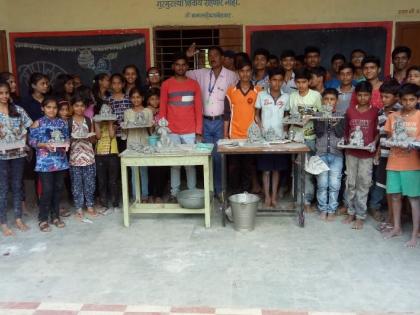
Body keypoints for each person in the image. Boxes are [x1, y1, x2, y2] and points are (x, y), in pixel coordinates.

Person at [186, 45, 238, 198]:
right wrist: (188, 56)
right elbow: (183, 72)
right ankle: (209, 189)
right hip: (205, 121)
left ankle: (220, 190)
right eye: (210, 55)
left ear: (222, 58)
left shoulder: (231, 75)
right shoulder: (201, 73)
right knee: (206, 155)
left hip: (222, 121)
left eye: (216, 55)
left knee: (220, 156)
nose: (212, 58)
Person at [159, 52, 203, 202]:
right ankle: (174, 193)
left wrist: (198, 131)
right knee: (175, 163)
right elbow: (162, 109)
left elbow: (198, 109)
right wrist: (163, 131)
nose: (180, 67)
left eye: (183, 64)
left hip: (190, 131)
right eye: (177, 64)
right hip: (172, 131)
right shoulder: (166, 85)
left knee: (190, 164)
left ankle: (192, 192)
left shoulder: (194, 84)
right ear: (173, 66)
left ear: (187, 67)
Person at [383, 83, 420, 247]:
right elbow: (391, 138)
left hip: (413, 164)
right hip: (394, 162)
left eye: (412, 99)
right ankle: (397, 227)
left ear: (417, 100)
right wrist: (395, 142)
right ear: (400, 99)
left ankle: (414, 233)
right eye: (404, 99)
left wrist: (413, 142)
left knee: (413, 198)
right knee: (396, 196)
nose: (408, 103)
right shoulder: (393, 116)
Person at [29, 97, 69, 232]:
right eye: (49, 107)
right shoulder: (37, 123)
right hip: (44, 163)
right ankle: (43, 218)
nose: (52, 110)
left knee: (58, 189)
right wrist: (44, 144)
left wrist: (67, 144)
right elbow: (31, 141)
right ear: (43, 108)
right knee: (47, 190)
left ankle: (55, 216)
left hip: (60, 161)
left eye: (54, 107)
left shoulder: (62, 123)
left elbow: (66, 138)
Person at [342, 81, 378, 230]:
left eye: (366, 95)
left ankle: (360, 215)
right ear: (356, 95)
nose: (363, 98)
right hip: (351, 153)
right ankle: (350, 211)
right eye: (360, 95)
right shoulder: (350, 111)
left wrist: (374, 144)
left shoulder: (375, 112)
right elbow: (345, 132)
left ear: (371, 96)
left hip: (367, 155)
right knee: (351, 183)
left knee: (364, 183)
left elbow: (378, 132)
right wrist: (344, 142)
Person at [0, 82, 32, 236]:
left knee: (17, 185)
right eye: (1, 93)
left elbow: (28, 126)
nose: (4, 96)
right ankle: (4, 222)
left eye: (6, 93)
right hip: (1, 156)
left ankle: (18, 218)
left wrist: (23, 139)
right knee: (3, 188)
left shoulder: (18, 110)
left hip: (18, 154)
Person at [224, 59, 261, 193]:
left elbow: (259, 114)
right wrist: (225, 135)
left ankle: (245, 193)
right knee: (233, 166)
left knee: (249, 166)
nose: (245, 74)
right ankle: (234, 193)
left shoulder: (258, 91)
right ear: (238, 73)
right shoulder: (230, 91)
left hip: (251, 137)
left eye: (248, 71)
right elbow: (227, 115)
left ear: (251, 72)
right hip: (234, 136)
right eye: (242, 71)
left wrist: (260, 132)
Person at [287, 68, 322, 211]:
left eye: (304, 82)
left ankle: (307, 201)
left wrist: (311, 115)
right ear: (295, 83)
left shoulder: (316, 95)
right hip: (295, 137)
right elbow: (290, 114)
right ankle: (297, 199)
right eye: (298, 82)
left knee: (308, 170)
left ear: (309, 82)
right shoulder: (293, 96)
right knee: (296, 170)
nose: (301, 85)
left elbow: (321, 113)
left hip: (310, 137)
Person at [254, 67, 289, 207]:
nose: (277, 83)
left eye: (280, 80)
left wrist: (285, 132)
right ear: (269, 81)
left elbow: (287, 116)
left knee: (276, 169)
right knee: (266, 169)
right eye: (274, 80)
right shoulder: (262, 95)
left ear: (283, 82)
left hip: (280, 139)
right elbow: (256, 114)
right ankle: (267, 196)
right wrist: (260, 127)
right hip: (265, 139)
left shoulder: (286, 97)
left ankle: (274, 196)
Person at [369, 80, 400, 228]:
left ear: (396, 97)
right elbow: (380, 134)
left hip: (397, 156)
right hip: (383, 155)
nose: (383, 100)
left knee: (395, 188)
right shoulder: (381, 112)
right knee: (383, 184)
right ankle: (383, 213)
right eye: (382, 96)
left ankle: (395, 218)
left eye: (387, 96)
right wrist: (376, 150)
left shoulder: (400, 113)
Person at [315, 88, 345, 221]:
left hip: (336, 154)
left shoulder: (341, 115)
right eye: (326, 99)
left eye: (332, 99)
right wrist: (323, 117)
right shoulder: (318, 115)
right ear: (322, 101)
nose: (329, 102)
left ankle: (332, 209)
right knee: (322, 184)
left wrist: (334, 123)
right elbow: (319, 133)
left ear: (336, 101)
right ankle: (323, 208)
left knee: (334, 184)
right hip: (321, 154)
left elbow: (339, 133)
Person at [68, 94, 97, 219]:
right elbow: (65, 141)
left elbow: (94, 140)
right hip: (75, 158)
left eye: (82, 106)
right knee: (76, 184)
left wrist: (91, 136)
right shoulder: (68, 121)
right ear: (72, 106)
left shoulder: (89, 120)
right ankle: (79, 207)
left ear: (85, 107)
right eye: (76, 106)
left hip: (89, 157)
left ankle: (90, 205)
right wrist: (71, 138)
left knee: (90, 183)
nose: (79, 108)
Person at [122, 88, 153, 203]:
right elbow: (125, 133)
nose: (136, 99)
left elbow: (151, 130)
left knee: (144, 170)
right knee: (134, 170)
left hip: (145, 142)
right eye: (133, 97)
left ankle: (144, 195)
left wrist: (153, 126)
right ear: (130, 99)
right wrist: (123, 128)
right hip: (131, 143)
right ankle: (136, 196)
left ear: (143, 98)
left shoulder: (148, 111)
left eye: (138, 97)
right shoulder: (127, 113)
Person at [94, 101, 119, 214]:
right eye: (103, 111)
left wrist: (110, 122)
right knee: (102, 180)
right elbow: (98, 137)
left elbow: (112, 135)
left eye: (108, 111)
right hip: (99, 154)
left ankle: (115, 204)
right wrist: (97, 124)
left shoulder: (113, 123)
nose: (105, 112)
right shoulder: (97, 123)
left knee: (113, 181)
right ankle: (104, 204)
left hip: (112, 154)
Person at [146, 88, 168, 203]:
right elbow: (147, 129)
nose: (155, 101)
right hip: (151, 143)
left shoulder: (163, 111)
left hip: (163, 143)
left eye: (157, 99)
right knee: (151, 169)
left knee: (162, 169)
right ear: (148, 100)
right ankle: (150, 194)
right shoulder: (146, 111)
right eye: (152, 99)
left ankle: (159, 194)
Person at [108, 73, 131, 153]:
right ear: (111, 85)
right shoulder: (109, 100)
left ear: (123, 84)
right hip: (115, 133)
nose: (116, 86)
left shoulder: (128, 98)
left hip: (128, 133)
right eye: (114, 83)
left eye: (119, 83)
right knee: (118, 155)